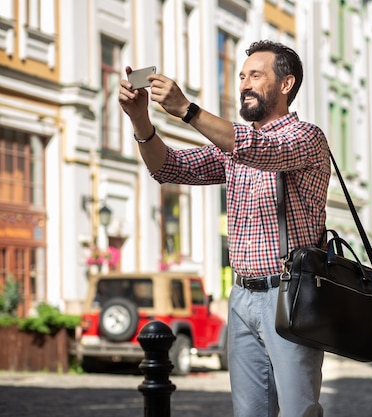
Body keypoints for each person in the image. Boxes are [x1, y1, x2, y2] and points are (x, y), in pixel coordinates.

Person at [118, 40, 330, 417]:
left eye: (256, 75)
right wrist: (140, 121)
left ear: (286, 84)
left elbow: (258, 148)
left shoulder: (305, 138)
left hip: (290, 296)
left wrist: (186, 109)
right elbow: (169, 167)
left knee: (299, 412)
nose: (244, 84)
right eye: (242, 76)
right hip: (242, 297)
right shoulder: (232, 149)